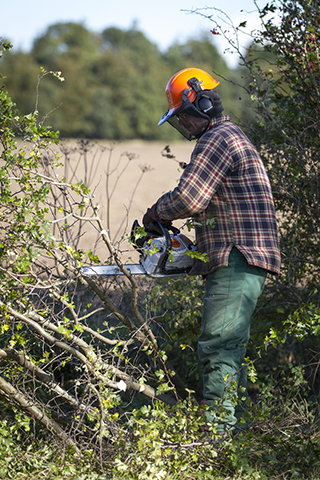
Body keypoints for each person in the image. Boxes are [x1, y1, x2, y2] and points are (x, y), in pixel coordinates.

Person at [142, 67, 281, 434]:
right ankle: (239, 441)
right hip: (244, 256)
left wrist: (155, 213)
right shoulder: (230, 136)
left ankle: (217, 441)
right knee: (230, 349)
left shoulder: (217, 138)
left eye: (184, 117)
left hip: (238, 256)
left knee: (218, 347)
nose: (185, 126)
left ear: (201, 103)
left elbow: (189, 197)